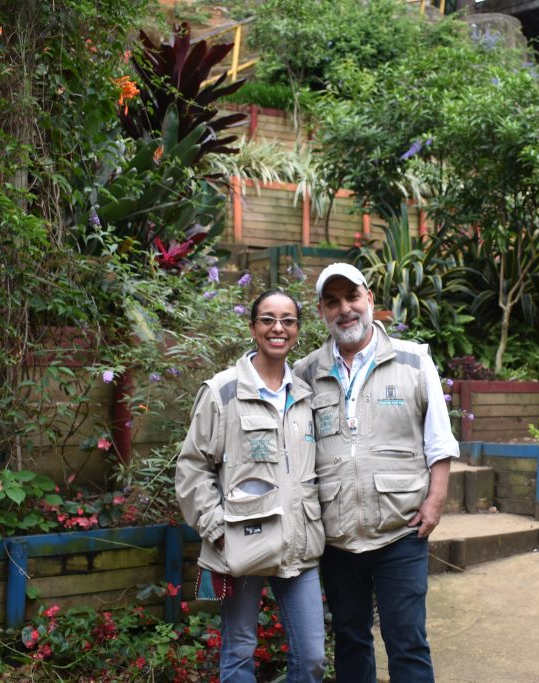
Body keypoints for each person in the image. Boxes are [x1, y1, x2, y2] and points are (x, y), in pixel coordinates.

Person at [294, 263, 459, 683]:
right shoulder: (305, 373)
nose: (344, 310)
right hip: (336, 535)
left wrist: (435, 503)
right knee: (350, 639)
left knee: (407, 640)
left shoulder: (413, 361)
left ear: (370, 300)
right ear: (321, 312)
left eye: (352, 298)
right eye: (333, 302)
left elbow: (439, 441)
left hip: (400, 529)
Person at [176, 290, 326, 683]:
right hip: (240, 542)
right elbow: (192, 468)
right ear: (253, 327)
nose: (278, 328)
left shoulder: (307, 395)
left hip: (299, 543)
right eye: (268, 319)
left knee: (312, 657)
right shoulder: (222, 392)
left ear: (297, 329)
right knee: (238, 651)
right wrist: (218, 531)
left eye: (288, 320)